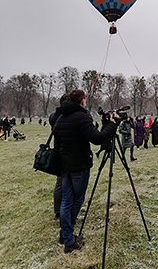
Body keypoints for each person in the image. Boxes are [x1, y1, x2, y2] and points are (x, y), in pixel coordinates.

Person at [53, 89, 118, 254]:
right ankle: (68, 239)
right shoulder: (82, 117)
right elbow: (97, 138)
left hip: (64, 166)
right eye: (85, 99)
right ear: (81, 101)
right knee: (77, 199)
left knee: (66, 201)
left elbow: (57, 143)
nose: (86, 102)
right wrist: (112, 124)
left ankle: (65, 236)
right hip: (79, 166)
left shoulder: (60, 117)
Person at [49, 93, 70, 221]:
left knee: (60, 183)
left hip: (59, 151)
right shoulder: (61, 117)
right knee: (62, 183)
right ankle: (61, 211)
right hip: (64, 152)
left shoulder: (54, 116)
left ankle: (58, 210)